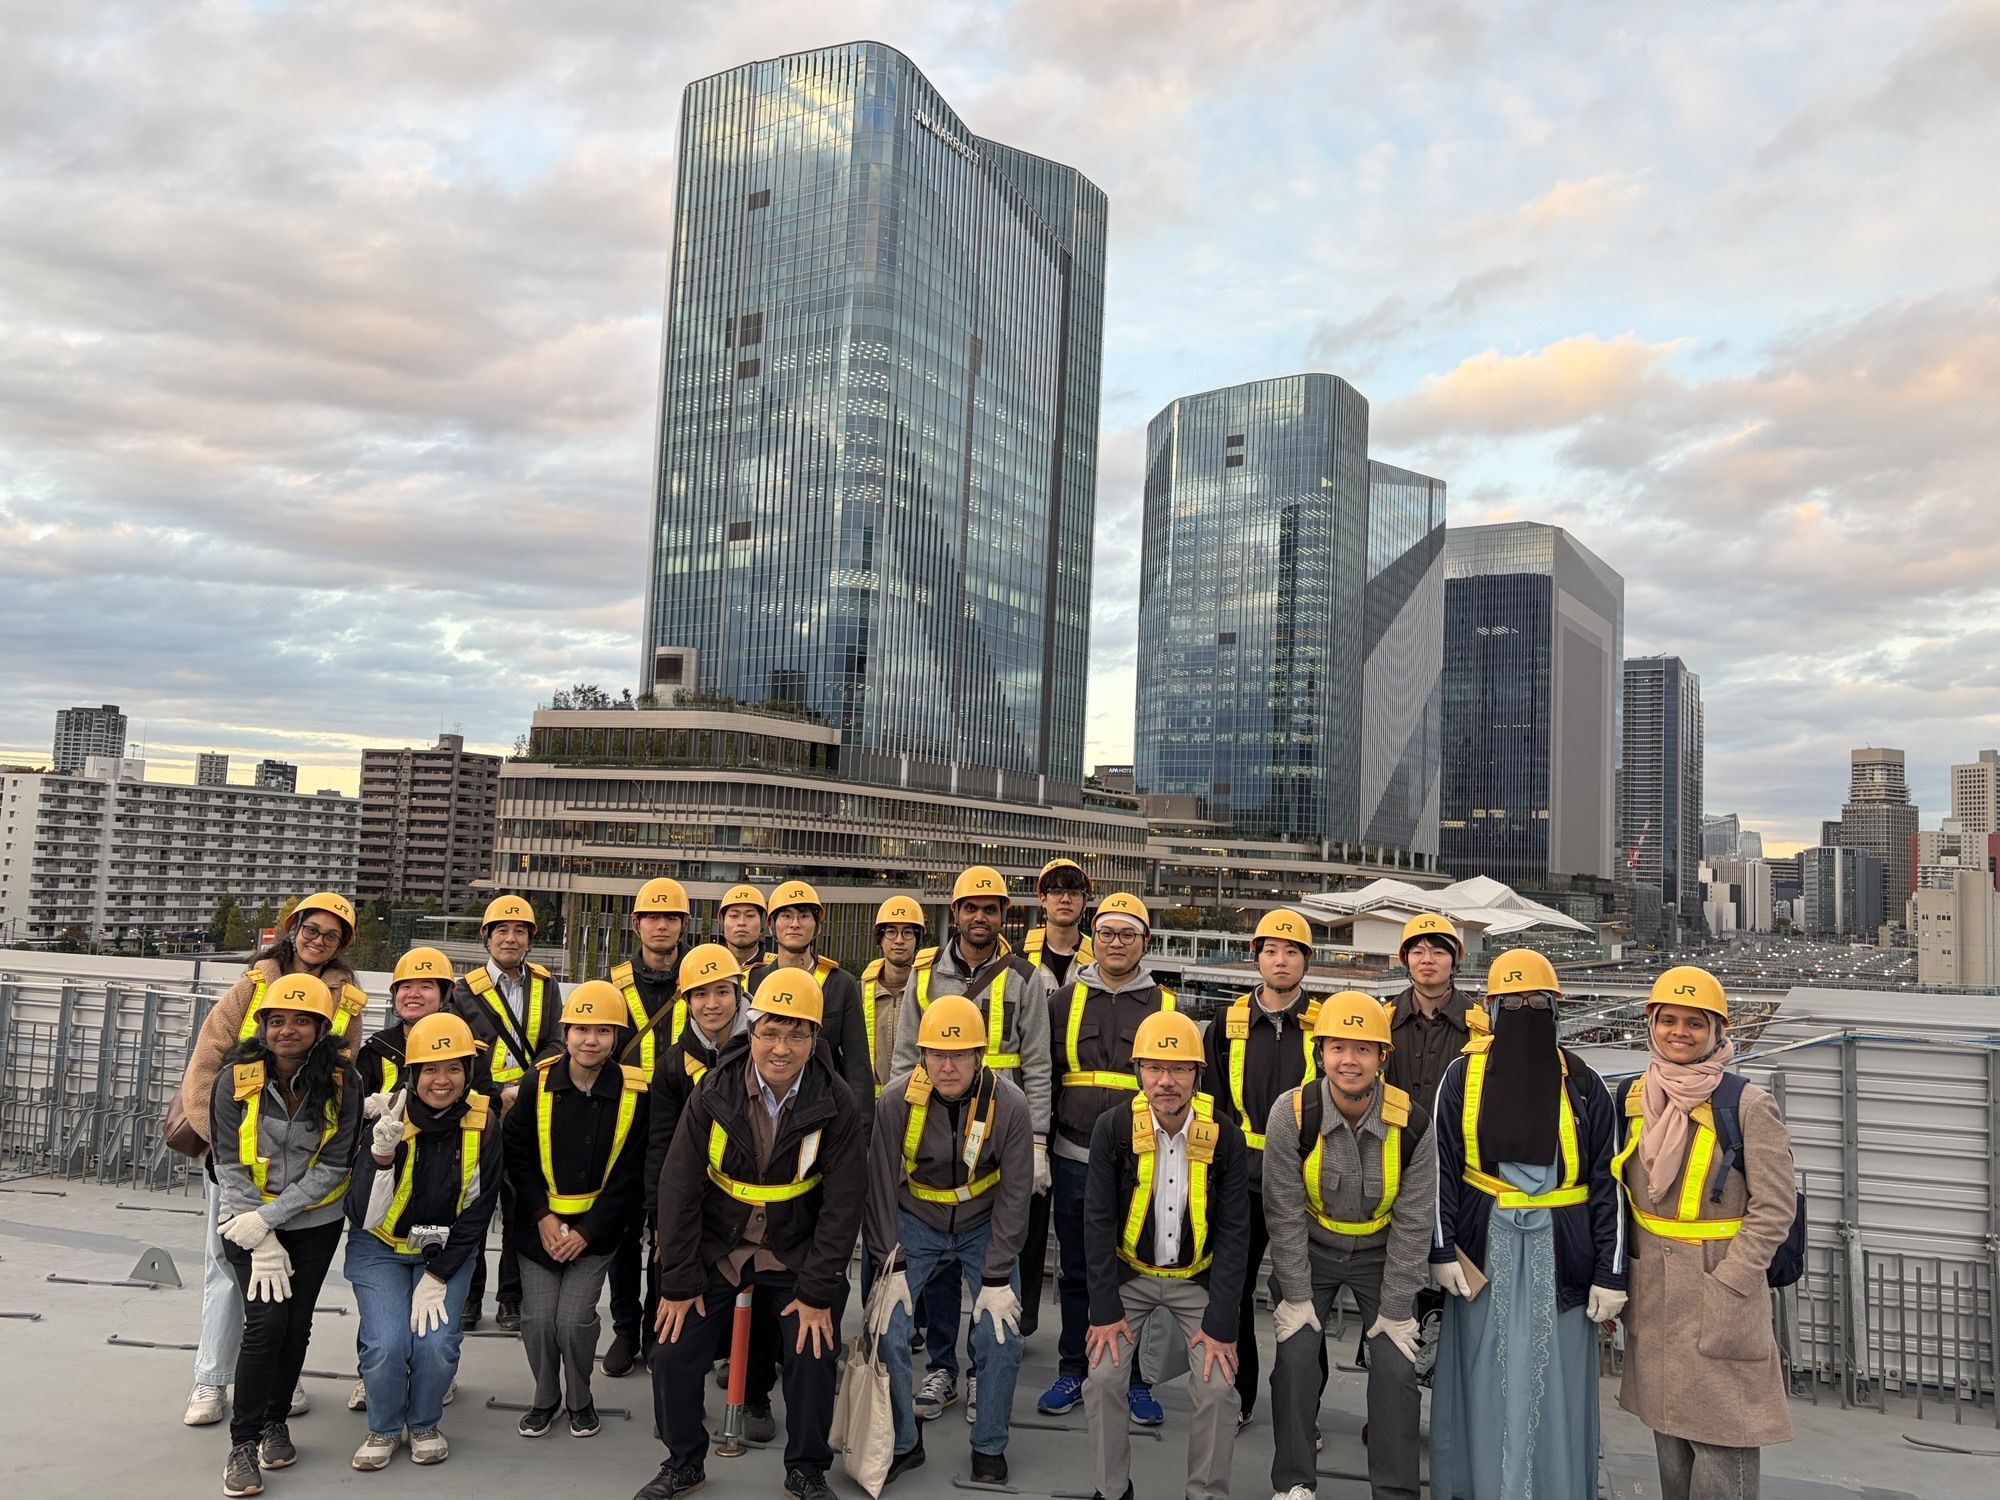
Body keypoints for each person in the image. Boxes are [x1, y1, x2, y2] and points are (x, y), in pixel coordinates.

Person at [638, 969, 866, 1500]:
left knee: (814, 1350)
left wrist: (817, 1292)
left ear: (815, 1039)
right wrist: (679, 1278)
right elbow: (678, 1188)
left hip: (795, 1251)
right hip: (720, 1245)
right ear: (752, 1028)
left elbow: (843, 1203)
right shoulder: (713, 1091)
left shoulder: (835, 1102)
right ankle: (683, 1461)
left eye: (796, 1035)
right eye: (770, 1032)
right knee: (671, 1348)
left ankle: (807, 1469)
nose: (780, 1049)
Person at [1428, 950, 1624, 1500]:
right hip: (1483, 1252)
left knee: (1556, 1386)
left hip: (1561, 1256)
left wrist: (1610, 1275)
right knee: (1479, 1378)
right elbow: (1441, 1166)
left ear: (1556, 1008)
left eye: (1535, 1002)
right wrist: (1441, 1249)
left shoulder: (1585, 1084)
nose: (1523, 1009)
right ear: (1488, 1009)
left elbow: (1608, 1185)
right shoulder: (1460, 1077)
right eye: (1509, 1003)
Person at [176, 891, 365, 1428]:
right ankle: (210, 1380)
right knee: (224, 1268)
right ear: (293, 929)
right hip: (236, 1160)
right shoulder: (253, 984)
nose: (318, 941)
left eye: (331, 935)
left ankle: (277, 1380)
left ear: (341, 944)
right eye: (311, 930)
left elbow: (339, 1072)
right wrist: (219, 1142)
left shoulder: (347, 999)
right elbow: (207, 1058)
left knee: (285, 1292)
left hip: (302, 1168)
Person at [1615, 967, 1796, 1499]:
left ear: (1717, 1030)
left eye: (1695, 1023)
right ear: (1651, 1024)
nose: (1679, 1032)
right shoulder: (1633, 1096)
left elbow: (1775, 1208)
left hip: (1717, 1284)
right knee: (1669, 1437)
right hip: (1654, 1289)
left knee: (1724, 1442)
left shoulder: (1746, 1104)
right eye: (1667, 1019)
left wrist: (1733, 1281)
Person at [887, 865, 1047, 1423]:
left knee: (991, 1266)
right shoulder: (926, 971)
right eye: (971, 907)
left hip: (998, 1129)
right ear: (954, 913)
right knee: (932, 1264)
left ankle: (983, 1372)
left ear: (1005, 915)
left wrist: (1038, 1142)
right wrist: (902, 1116)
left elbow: (1038, 1064)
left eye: (991, 908)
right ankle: (943, 1368)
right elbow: (908, 1050)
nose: (981, 917)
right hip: (930, 1125)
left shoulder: (1024, 976)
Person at [1263, 993, 1437, 1500]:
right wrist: (1296, 1295)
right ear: (1320, 1054)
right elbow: (1284, 1211)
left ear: (1383, 1058)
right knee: (1294, 1360)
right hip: (1312, 1252)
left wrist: (1398, 1306)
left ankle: (1395, 1490)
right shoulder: (1292, 1113)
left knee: (1396, 1368)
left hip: (1381, 1256)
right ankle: (1294, 1482)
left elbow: (1414, 1218)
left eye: (1363, 1049)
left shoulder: (1414, 1124)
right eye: (1338, 1047)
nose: (1349, 1060)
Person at [865, 994, 1033, 1486]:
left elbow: (1016, 1193)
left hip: (984, 1222)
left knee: (1000, 1335)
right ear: (921, 1056)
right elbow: (879, 1186)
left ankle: (989, 1445)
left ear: (980, 1055)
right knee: (887, 1329)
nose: (947, 1064)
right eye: (936, 1053)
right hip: (916, 1219)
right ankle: (902, 1441)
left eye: (959, 1054)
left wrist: (999, 1272)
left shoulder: (1011, 1105)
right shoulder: (897, 1100)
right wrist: (888, 1262)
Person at [1082, 1010, 1249, 1500]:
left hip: (1196, 1281)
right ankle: (1111, 1490)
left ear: (1197, 1074)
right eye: (1154, 1068)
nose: (1166, 1081)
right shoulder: (1112, 1130)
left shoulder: (1224, 1137)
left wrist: (1222, 1323)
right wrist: (1105, 1311)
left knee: (1218, 1389)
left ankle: (1206, 1494)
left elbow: (1236, 1234)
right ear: (1138, 1071)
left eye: (1179, 1069)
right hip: (1128, 1276)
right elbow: (1095, 1224)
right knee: (1104, 1378)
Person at [208, 974, 362, 1497]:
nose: (287, 1030)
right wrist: (258, 1232)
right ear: (262, 1026)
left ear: (322, 1027)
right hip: (243, 1220)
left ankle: (278, 1421)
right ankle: (243, 1443)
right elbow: (227, 1161)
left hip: (314, 1224)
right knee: (264, 1326)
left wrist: (273, 1220)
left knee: (296, 1325)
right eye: (277, 1020)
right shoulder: (234, 1078)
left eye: (301, 1020)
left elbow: (335, 1164)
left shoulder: (344, 1082)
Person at [344, 1012, 501, 1470]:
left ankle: (426, 1422)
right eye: (430, 1068)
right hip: (379, 1247)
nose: (442, 1079)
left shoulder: (483, 1123)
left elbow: (479, 1208)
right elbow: (359, 1213)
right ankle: (385, 1428)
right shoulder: (383, 1116)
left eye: (454, 1068)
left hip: (447, 1251)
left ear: (468, 1073)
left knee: (436, 1343)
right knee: (387, 1342)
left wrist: (439, 1272)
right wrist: (380, 1154)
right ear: (412, 1073)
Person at [1038, 892, 1172, 1425]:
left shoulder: (1165, 1008)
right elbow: (1043, 1076)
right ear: (1096, 938)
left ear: (1145, 942)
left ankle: (1133, 1378)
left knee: (1134, 1271)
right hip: (1072, 1157)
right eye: (1109, 933)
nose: (1117, 944)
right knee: (1075, 1269)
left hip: (1141, 1164)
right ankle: (1074, 1367)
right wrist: (1038, 1149)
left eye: (1129, 935)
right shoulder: (1063, 1002)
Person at [500, 980, 649, 1439]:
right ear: (565, 1033)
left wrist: (586, 1232)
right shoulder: (536, 1083)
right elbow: (517, 1157)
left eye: (603, 1031)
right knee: (539, 1319)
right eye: (581, 1029)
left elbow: (631, 1176)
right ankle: (546, 1397)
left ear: (617, 1037)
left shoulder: (635, 1093)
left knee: (574, 1320)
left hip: (597, 1232)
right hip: (538, 1227)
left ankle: (579, 1397)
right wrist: (543, 1217)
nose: (591, 1040)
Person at [346, 945, 487, 1415]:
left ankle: (432, 1378)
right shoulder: (376, 1052)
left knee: (436, 1334)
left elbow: (476, 1127)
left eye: (426, 985)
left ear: (445, 995)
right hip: (385, 1207)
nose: (414, 994)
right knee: (382, 1324)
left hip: (447, 1202)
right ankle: (376, 1378)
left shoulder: (471, 1051)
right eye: (405, 986)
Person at [639, 942, 768, 1442]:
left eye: (722, 991)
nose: (712, 1003)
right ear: (686, 1001)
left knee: (756, 1302)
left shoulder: (766, 1046)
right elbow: (661, 1146)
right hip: (695, 1205)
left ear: (739, 993)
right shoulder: (674, 1065)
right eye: (700, 995)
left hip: (759, 1201)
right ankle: (675, 1413)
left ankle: (755, 1395)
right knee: (676, 1301)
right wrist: (659, 1218)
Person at [1199, 906, 1319, 1425]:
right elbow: (1212, 1103)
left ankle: (1302, 1412)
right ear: (1256, 958)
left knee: (1303, 1299)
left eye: (1291, 951)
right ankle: (1239, 1398)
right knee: (1233, 1290)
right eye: (1271, 950)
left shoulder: (1323, 1024)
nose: (1281, 959)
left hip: (1303, 1182)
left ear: (1306, 961)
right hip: (1240, 1180)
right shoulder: (1225, 1024)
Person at [450, 892, 563, 1333]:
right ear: (487, 937)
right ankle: (470, 1296)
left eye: (519, 931)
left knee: (522, 1207)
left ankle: (511, 1298)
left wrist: (523, 1087)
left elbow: (556, 1042)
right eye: (502, 931)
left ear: (530, 938)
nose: (511, 938)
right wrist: (498, 1090)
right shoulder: (462, 991)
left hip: (529, 1110)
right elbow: (460, 1052)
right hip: (479, 1110)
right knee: (473, 1204)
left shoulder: (546, 985)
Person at [603, 877, 693, 1378]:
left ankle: (663, 1331)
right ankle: (624, 1329)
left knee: (671, 1235)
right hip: (626, 1126)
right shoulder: (613, 982)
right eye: (652, 917)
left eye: (671, 918)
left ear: (683, 925)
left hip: (684, 1125)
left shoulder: (700, 977)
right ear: (636, 924)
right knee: (622, 1235)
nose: (662, 925)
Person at [1018, 857, 1093, 1339]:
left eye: (1073, 890)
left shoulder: (1101, 955)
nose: (1064, 897)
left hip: (1076, 1110)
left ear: (1085, 903)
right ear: (1041, 900)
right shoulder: (1017, 957)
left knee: (1078, 1235)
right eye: (1054, 890)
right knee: (1022, 1225)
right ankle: (1021, 1319)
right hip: (1024, 1104)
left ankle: (1080, 1334)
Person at [747, 880, 875, 1120]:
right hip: (761, 1108)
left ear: (816, 925)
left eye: (804, 916)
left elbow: (857, 1065)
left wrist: (862, 1132)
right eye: (786, 915)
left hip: (824, 1108)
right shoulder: (754, 981)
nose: (795, 924)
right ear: (771, 924)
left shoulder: (840, 984)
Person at [1383, 913, 1486, 1105]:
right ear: (1406, 960)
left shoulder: (1480, 1027)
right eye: (1417, 952)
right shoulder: (1383, 1020)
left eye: (1438, 952)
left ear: (1454, 962)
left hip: (1450, 1135)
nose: (1427, 960)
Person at [715, 883, 771, 980]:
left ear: (763, 922)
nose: (741, 923)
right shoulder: (708, 966)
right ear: (721, 921)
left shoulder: (775, 968)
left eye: (750, 916)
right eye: (734, 916)